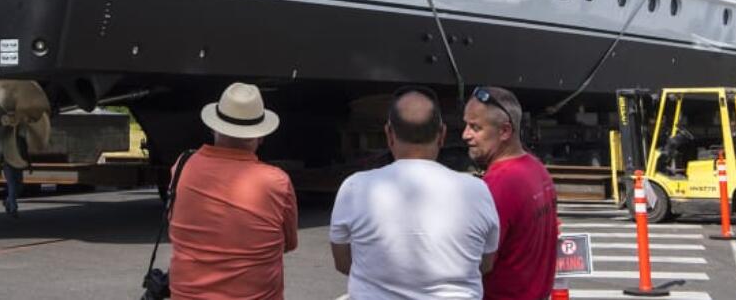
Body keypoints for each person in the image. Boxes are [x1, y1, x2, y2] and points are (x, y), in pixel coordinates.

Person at [330, 86, 499, 299]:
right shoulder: (477, 191)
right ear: (442, 135)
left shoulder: (354, 188)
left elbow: (343, 263)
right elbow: (484, 263)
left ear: (389, 134)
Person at [168, 82, 298, 300]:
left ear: (213, 127)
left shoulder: (182, 166)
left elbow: (175, 223)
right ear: (261, 136)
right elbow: (288, 243)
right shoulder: (276, 182)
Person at [462, 86, 558, 300]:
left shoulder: (497, 185)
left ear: (505, 131)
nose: (465, 135)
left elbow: (478, 263)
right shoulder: (537, 169)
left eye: (475, 127)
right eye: (466, 125)